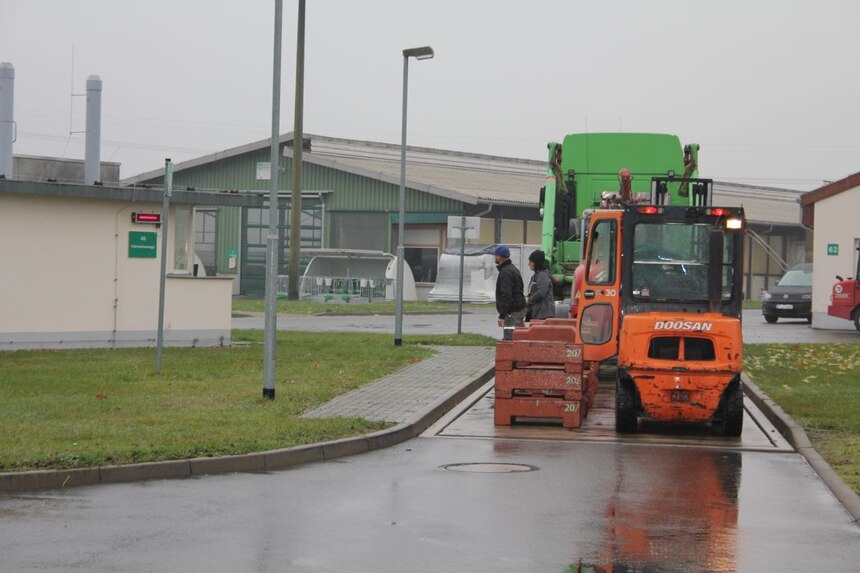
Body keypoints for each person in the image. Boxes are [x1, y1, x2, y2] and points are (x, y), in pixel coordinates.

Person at [492, 245, 526, 329]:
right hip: (518, 310)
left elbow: (507, 296)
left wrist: (502, 316)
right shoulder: (513, 269)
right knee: (519, 335)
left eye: (495, 255)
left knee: (511, 337)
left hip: (512, 313)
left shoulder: (505, 273)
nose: (494, 258)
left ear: (499, 257)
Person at [526, 250, 555, 321]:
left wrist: (528, 300)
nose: (528, 264)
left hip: (543, 315)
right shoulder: (536, 275)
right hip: (538, 313)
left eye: (531, 261)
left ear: (536, 262)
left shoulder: (542, 275)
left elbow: (541, 293)